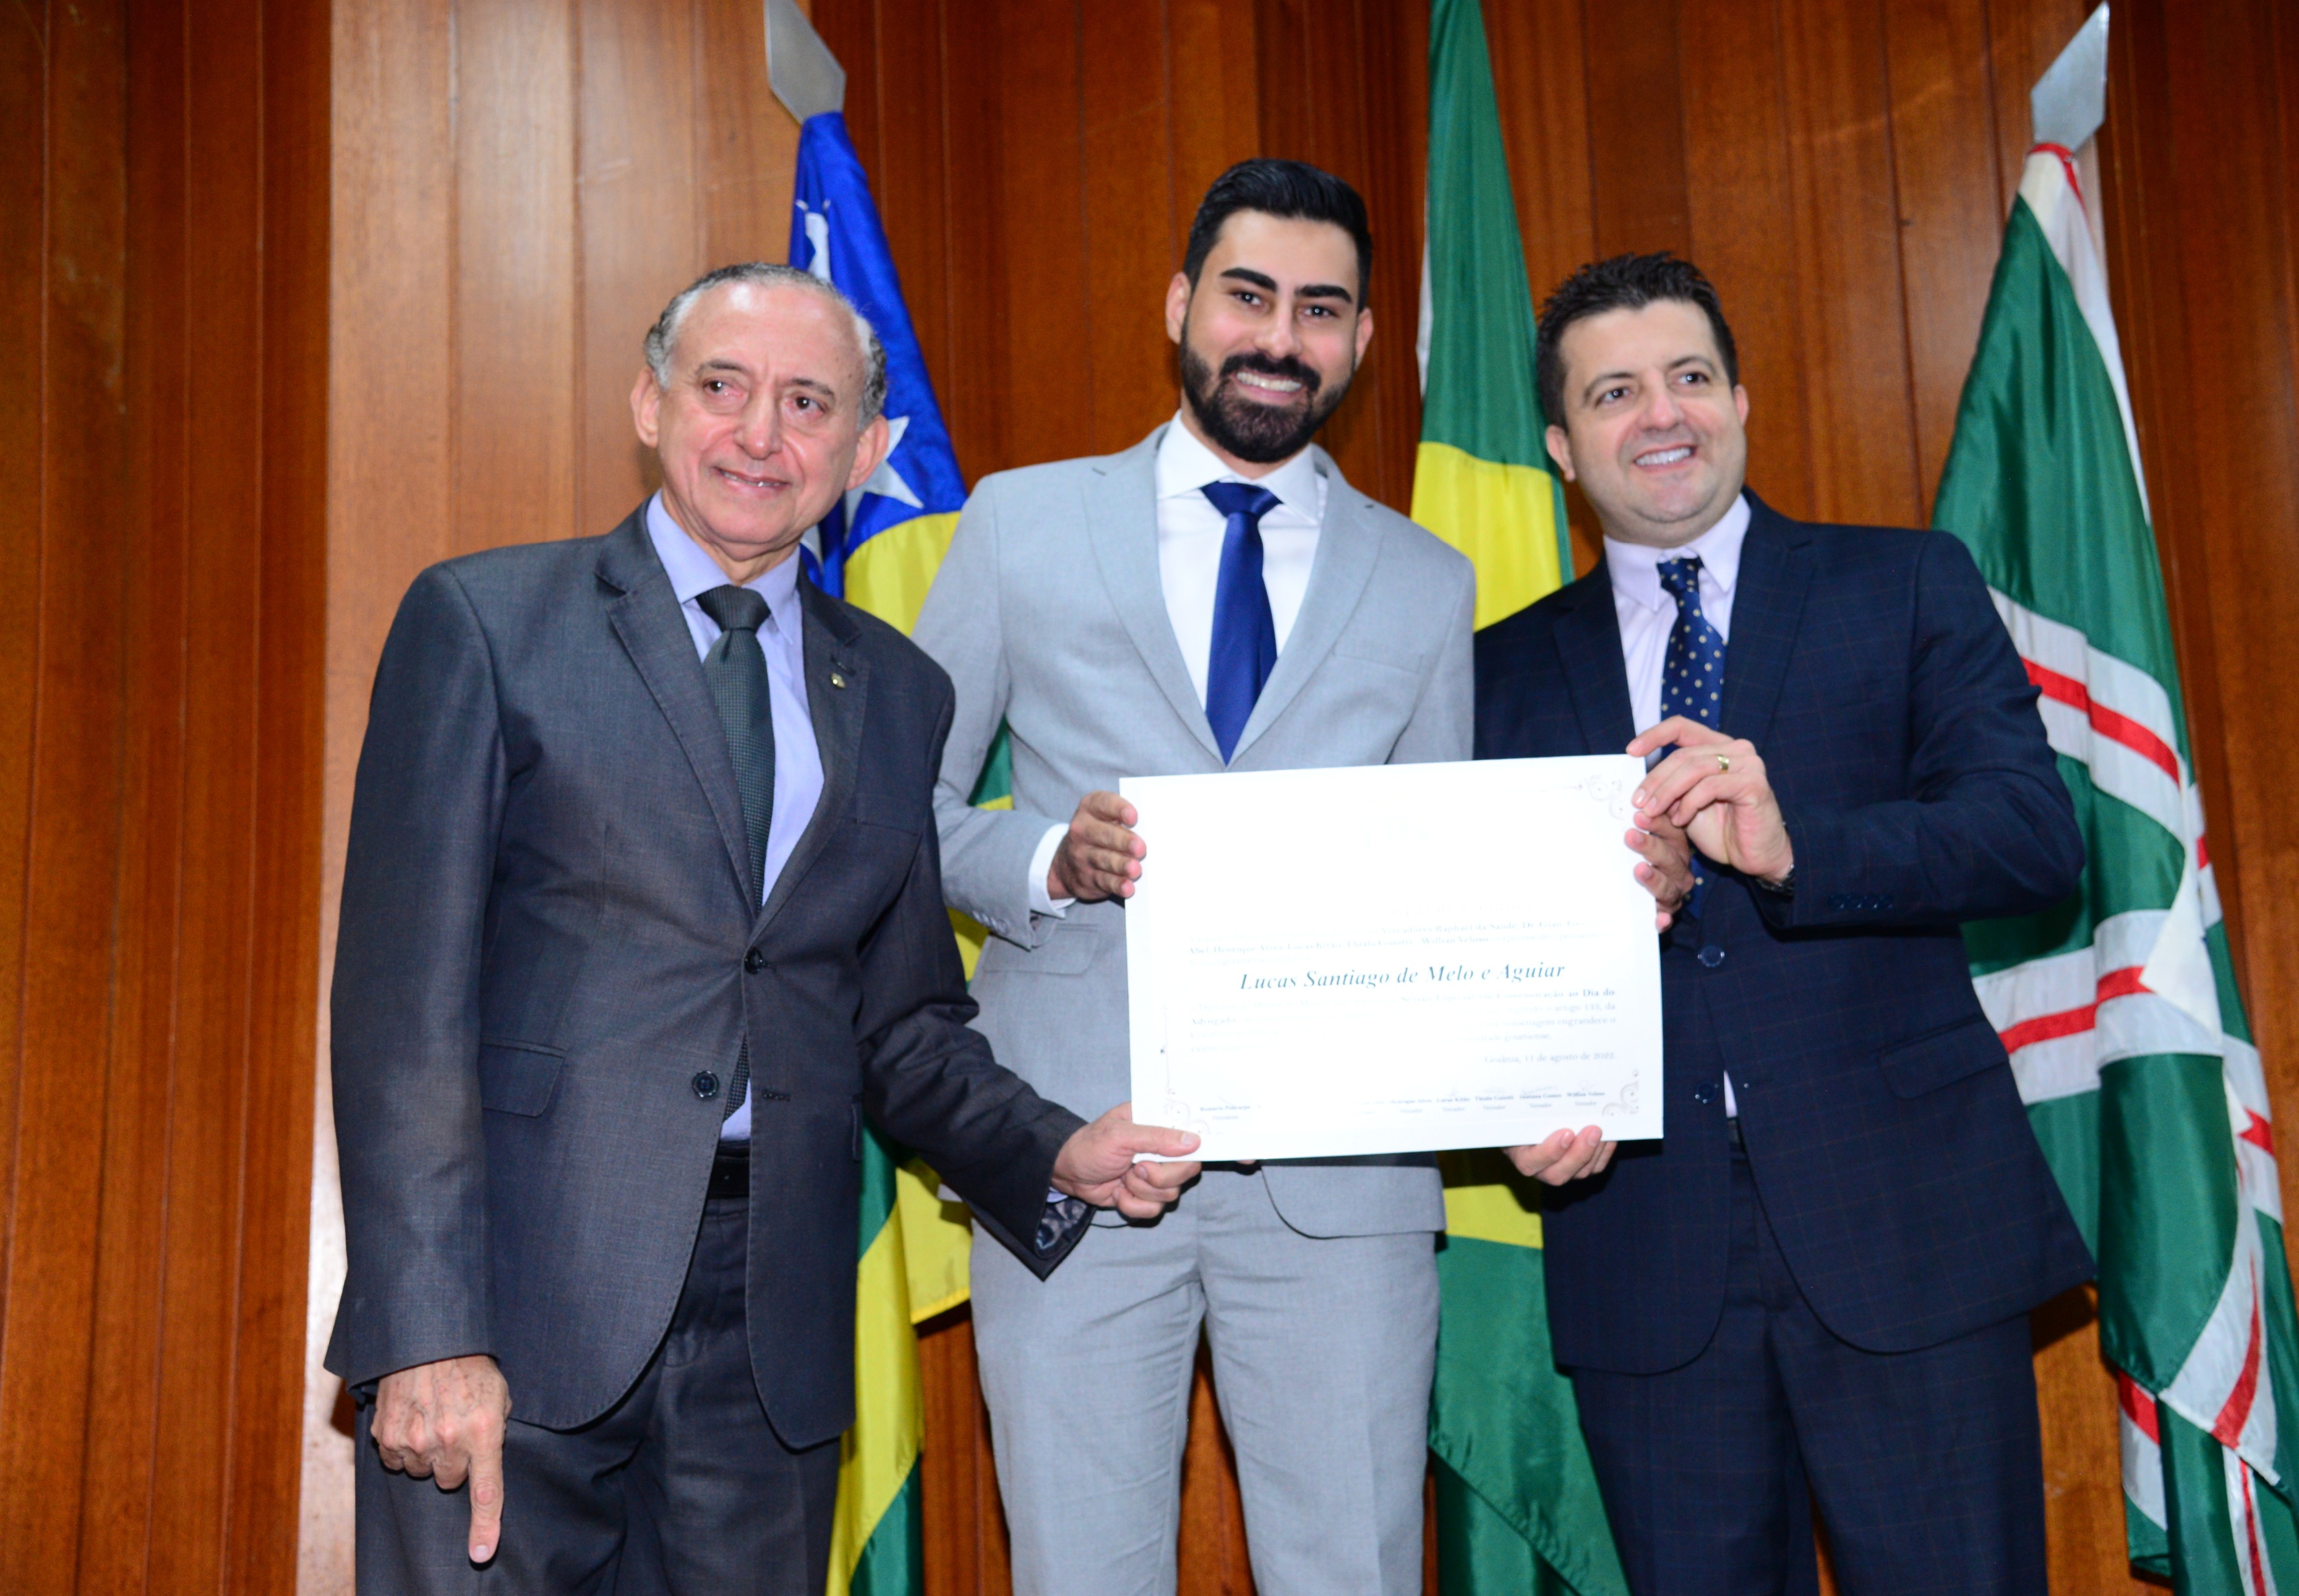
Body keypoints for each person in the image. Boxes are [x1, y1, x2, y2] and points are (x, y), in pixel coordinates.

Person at [327, 262, 1200, 1596]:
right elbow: (403, 1006)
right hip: (514, 1302)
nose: (759, 434)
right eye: (722, 386)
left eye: (807, 403)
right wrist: (427, 1326)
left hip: (769, 1332)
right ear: (650, 403)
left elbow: (898, 1020)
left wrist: (1053, 1148)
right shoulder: (487, 622)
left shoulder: (899, 690)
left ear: (867, 449)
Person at [910, 161, 1689, 1596]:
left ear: (1364, 340)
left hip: (1347, 1195)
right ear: (1180, 304)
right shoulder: (1019, 522)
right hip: (1080, 1151)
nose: (1279, 336)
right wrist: (1049, 857)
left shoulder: (1426, 579)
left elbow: (1446, 888)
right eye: (1248, 295)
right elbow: (909, 819)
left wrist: (1538, 1067)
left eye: (1320, 309)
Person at [1481, 254, 2096, 1596]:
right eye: (1614, 391)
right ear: (1560, 446)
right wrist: (1509, 1099)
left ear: (1741, 401)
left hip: (1908, 1230)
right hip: (1645, 1256)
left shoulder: (1904, 582)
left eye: (1691, 377)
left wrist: (1795, 847)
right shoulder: (1493, 670)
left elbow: (2033, 835)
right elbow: (1469, 945)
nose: (1662, 413)